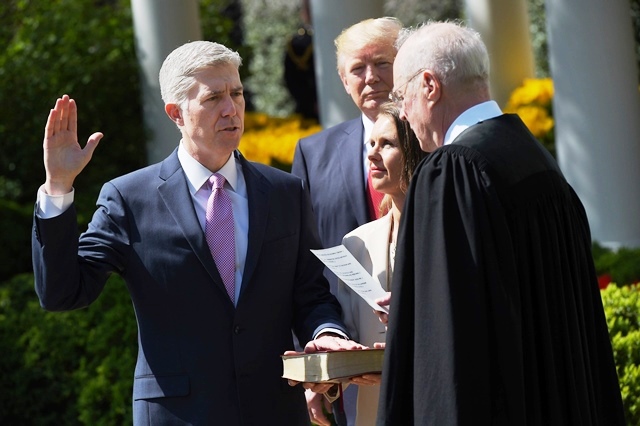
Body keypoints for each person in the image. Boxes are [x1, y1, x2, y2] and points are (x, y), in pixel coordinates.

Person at [31, 40, 363, 426]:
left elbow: (311, 293)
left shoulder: (285, 192)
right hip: (178, 414)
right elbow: (63, 292)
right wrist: (58, 187)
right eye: (213, 98)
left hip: (274, 410)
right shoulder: (129, 198)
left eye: (236, 93)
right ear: (176, 113)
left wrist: (327, 332)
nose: (231, 108)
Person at [377, 21, 626, 425]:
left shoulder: (450, 171)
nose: (402, 113)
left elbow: (453, 343)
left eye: (402, 96)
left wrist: (422, 312)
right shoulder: (538, 162)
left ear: (429, 85)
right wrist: (416, 299)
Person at [291, 17, 402, 425]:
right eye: (358, 68)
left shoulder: (438, 145)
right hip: (351, 373)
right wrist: (315, 374)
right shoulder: (312, 153)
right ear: (343, 79)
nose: (371, 78)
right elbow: (301, 270)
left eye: (383, 63)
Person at [335, 102, 426, 426]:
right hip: (377, 412)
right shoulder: (356, 242)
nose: (372, 154)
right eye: (369, 145)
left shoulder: (448, 232)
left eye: (386, 144)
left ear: (416, 150)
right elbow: (347, 335)